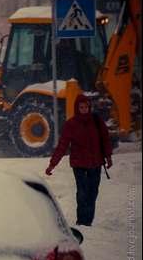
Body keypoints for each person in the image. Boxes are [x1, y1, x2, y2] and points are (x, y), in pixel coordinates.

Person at [45, 94, 113, 227]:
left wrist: (108, 157)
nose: (84, 109)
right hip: (79, 164)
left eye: (86, 107)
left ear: (89, 107)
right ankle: (81, 220)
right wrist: (52, 164)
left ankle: (88, 221)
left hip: (95, 163)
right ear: (77, 108)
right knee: (82, 192)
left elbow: (105, 139)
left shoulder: (97, 121)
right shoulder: (71, 124)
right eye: (81, 107)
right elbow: (62, 145)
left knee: (92, 192)